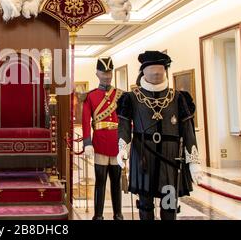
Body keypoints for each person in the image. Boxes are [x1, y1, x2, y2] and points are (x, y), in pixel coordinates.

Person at [116, 51, 203, 220]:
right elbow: (124, 127)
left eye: (160, 70)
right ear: (144, 72)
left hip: (170, 160)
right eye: (151, 70)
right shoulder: (131, 98)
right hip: (143, 157)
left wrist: (193, 161)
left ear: (165, 71)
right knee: (145, 205)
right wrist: (122, 148)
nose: (156, 73)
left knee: (169, 204)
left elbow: (188, 130)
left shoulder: (178, 98)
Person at [82, 57, 124, 220]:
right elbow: (86, 121)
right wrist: (87, 142)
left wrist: (125, 143)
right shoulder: (90, 96)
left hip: (116, 142)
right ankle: (98, 215)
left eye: (109, 72)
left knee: (116, 181)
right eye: (103, 72)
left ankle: (118, 214)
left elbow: (126, 121)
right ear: (97, 73)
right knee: (100, 181)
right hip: (100, 143)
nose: (107, 76)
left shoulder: (120, 95)